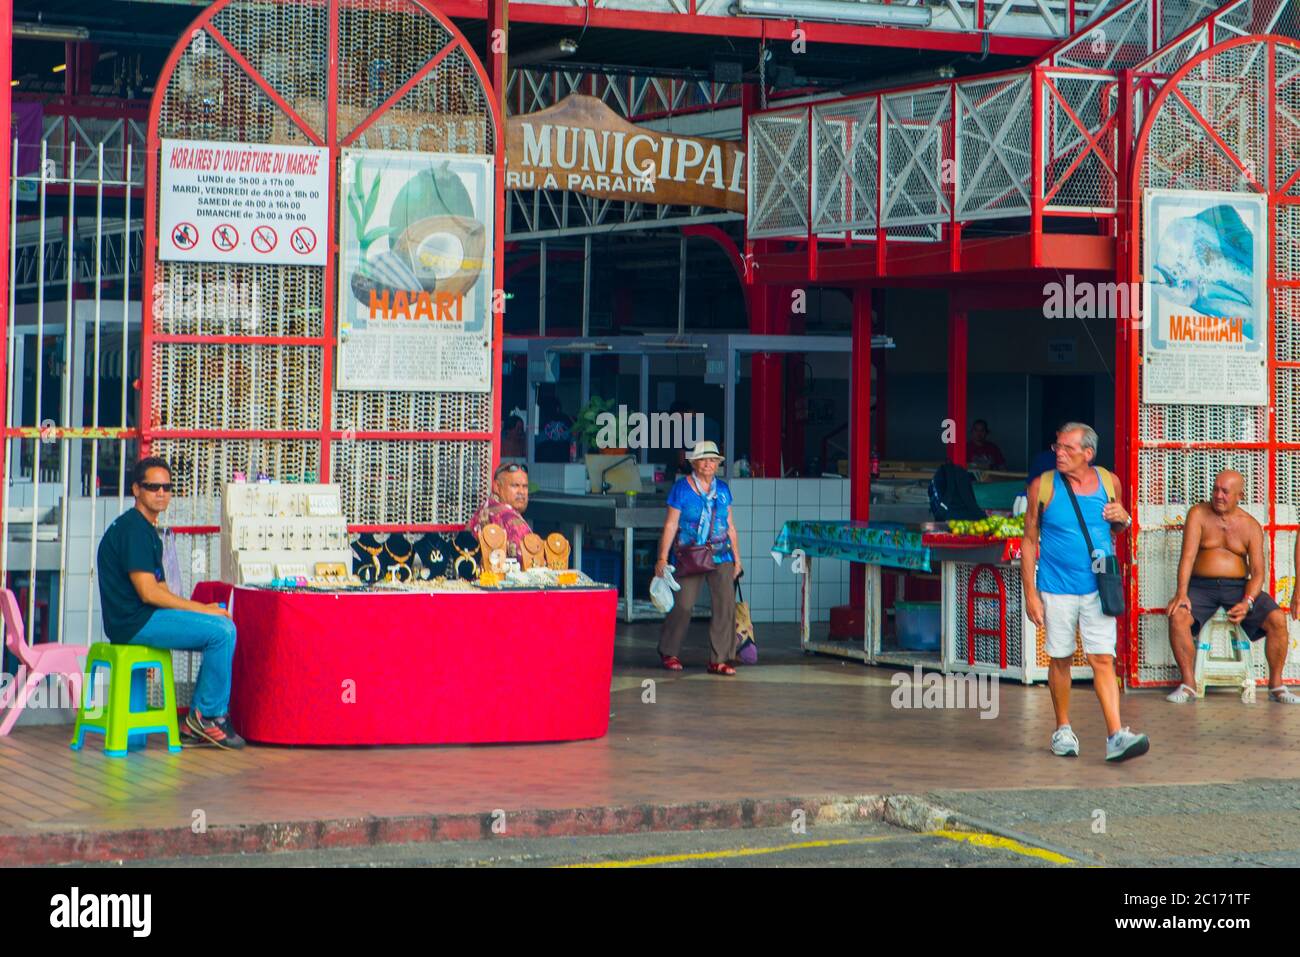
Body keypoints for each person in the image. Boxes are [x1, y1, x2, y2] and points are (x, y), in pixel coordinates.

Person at [1021, 422, 1149, 762]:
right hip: (1056, 587)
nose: (1059, 453)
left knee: (1103, 658)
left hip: (1098, 585)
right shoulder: (1043, 486)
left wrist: (1124, 518)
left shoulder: (1109, 481)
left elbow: (1116, 527)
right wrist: (1030, 592)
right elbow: (1030, 540)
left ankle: (1116, 735)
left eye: (1068, 449)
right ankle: (1062, 728)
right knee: (1060, 658)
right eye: (1057, 447)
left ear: (1088, 454)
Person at [96, 457, 243, 749]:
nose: (161, 493)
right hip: (134, 622)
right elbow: (149, 593)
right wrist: (204, 611)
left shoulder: (147, 531)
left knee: (219, 624)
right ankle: (208, 717)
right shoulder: (133, 531)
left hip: (143, 618)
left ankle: (196, 722)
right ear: (136, 489)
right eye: (153, 487)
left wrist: (203, 614)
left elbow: (161, 589)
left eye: (166, 487)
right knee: (222, 631)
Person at [1165, 470, 1296, 703]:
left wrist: (1248, 602)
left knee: (1277, 619)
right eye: (1215, 489)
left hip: (1238, 587)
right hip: (1200, 587)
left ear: (1239, 496)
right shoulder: (1198, 514)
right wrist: (1181, 592)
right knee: (1178, 617)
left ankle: (1276, 686)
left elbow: (1257, 573)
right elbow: (1187, 557)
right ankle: (1188, 684)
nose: (1218, 495)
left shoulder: (1250, 526)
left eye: (1225, 491)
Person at [653, 441, 743, 675]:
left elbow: (730, 526)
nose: (708, 464)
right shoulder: (681, 489)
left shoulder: (723, 490)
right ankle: (669, 651)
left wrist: (737, 559)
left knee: (725, 605)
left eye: (713, 460)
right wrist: (662, 558)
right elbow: (671, 524)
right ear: (694, 463)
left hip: (721, 554)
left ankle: (720, 659)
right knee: (683, 605)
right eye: (704, 459)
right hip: (690, 555)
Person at [467, 461, 535, 560]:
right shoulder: (511, 520)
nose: (521, 492)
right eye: (515, 485)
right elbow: (532, 564)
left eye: (525, 486)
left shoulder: (483, 510)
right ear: (497, 487)